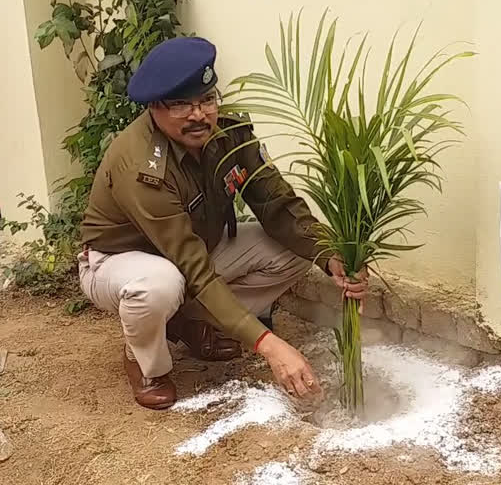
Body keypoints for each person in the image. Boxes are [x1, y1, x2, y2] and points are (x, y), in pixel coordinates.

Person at [77, 36, 368, 410]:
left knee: (295, 252)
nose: (198, 114)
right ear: (155, 108)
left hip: (196, 247)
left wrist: (331, 257)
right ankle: (146, 362)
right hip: (121, 261)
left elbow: (277, 202)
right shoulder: (142, 167)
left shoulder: (229, 133)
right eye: (181, 104)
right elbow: (191, 267)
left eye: (206, 99)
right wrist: (268, 345)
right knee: (158, 286)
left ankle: (190, 321)